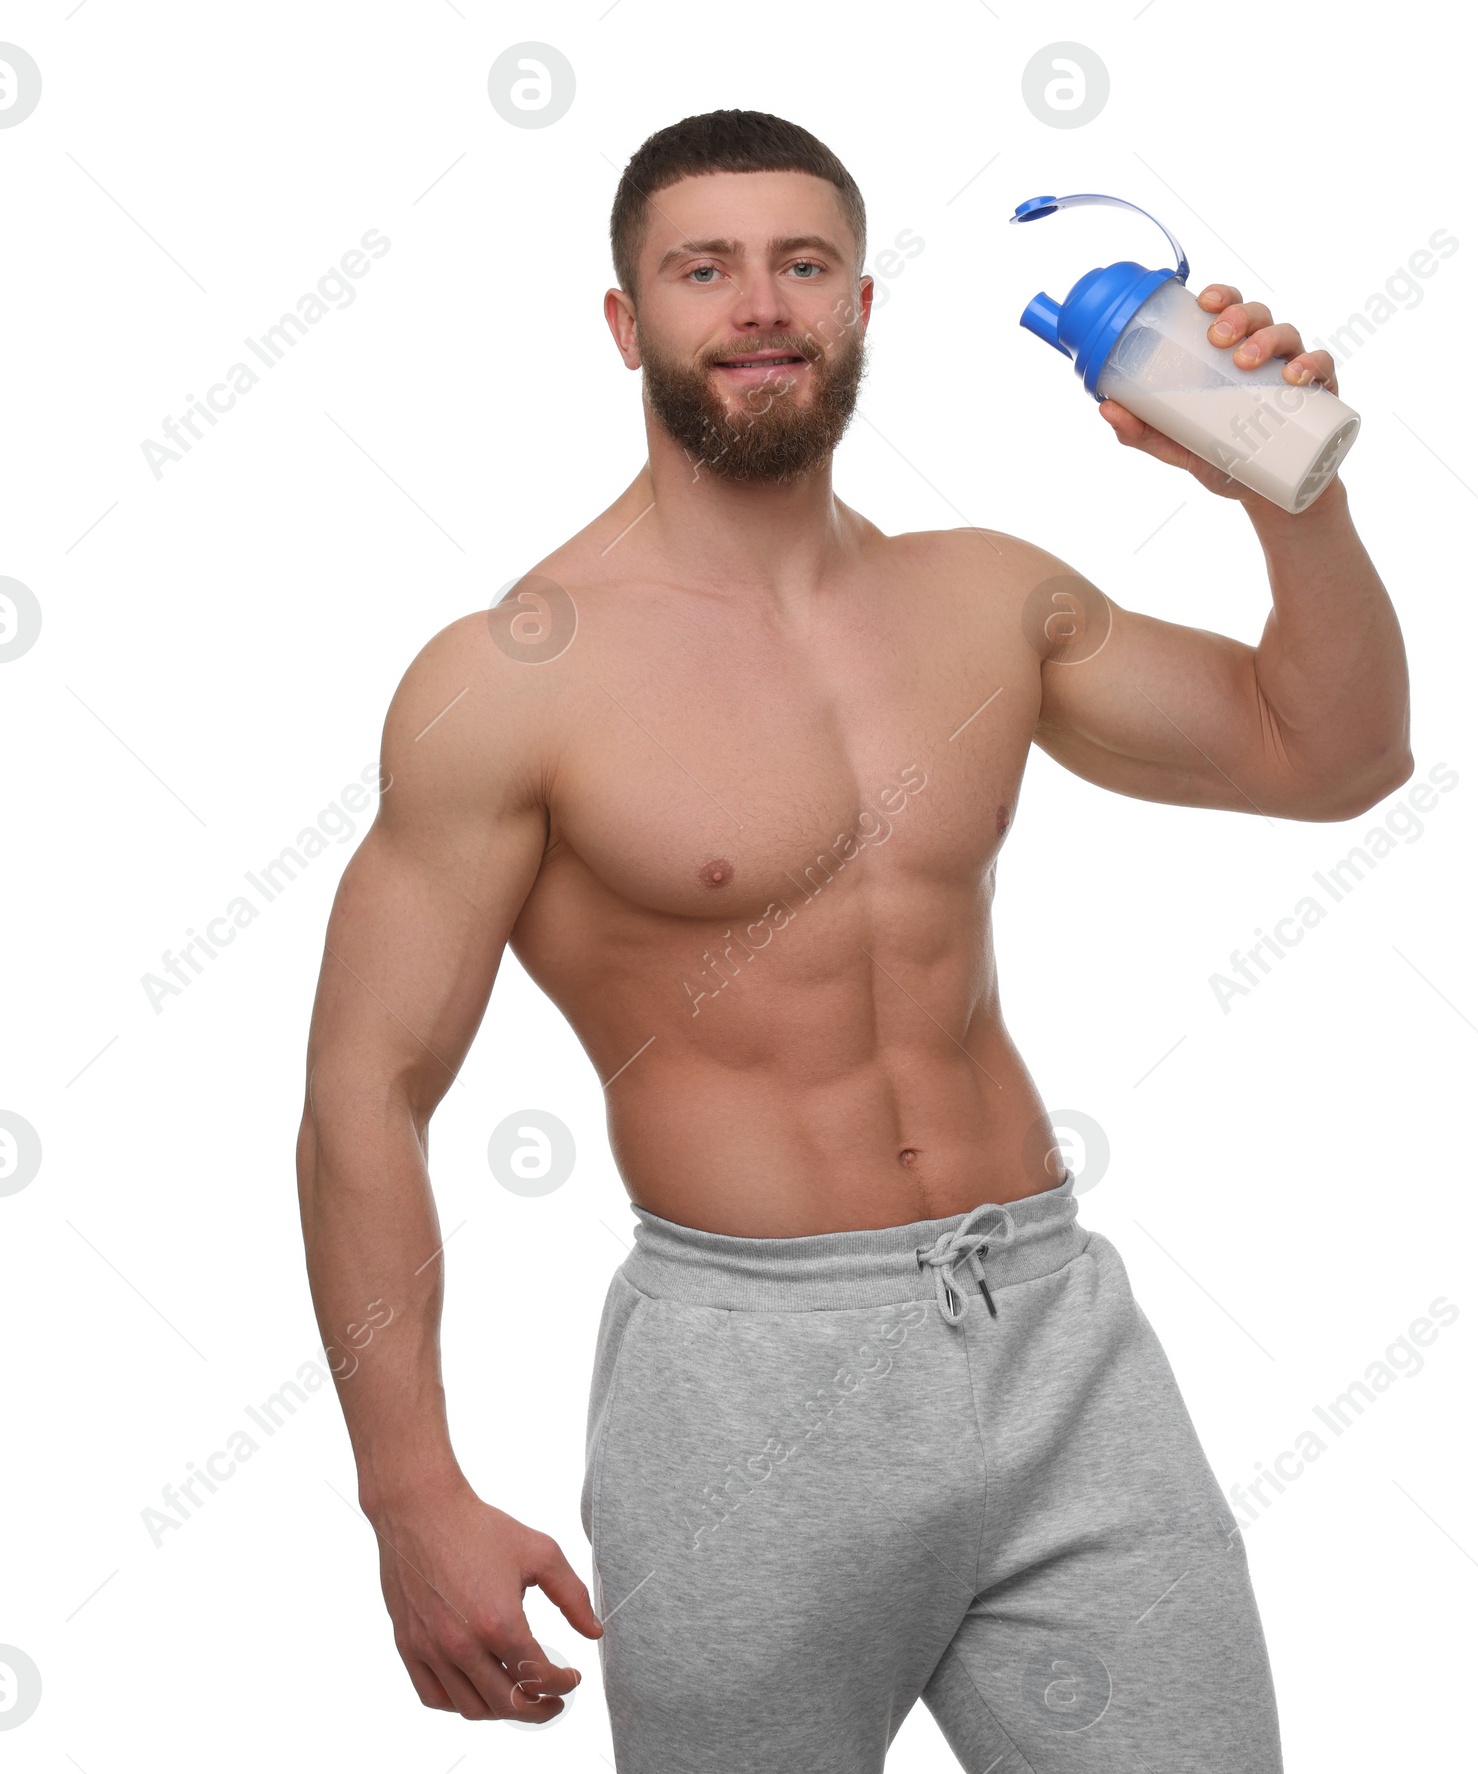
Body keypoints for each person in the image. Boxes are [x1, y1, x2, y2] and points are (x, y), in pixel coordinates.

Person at [295, 108, 1410, 1772]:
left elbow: (1334, 756)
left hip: (1055, 1339)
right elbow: (362, 1096)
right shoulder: (516, 674)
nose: (758, 304)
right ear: (627, 324)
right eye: (703, 268)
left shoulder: (985, 596)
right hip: (749, 1384)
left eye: (801, 263)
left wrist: (1283, 485)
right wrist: (410, 1493)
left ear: (863, 306)